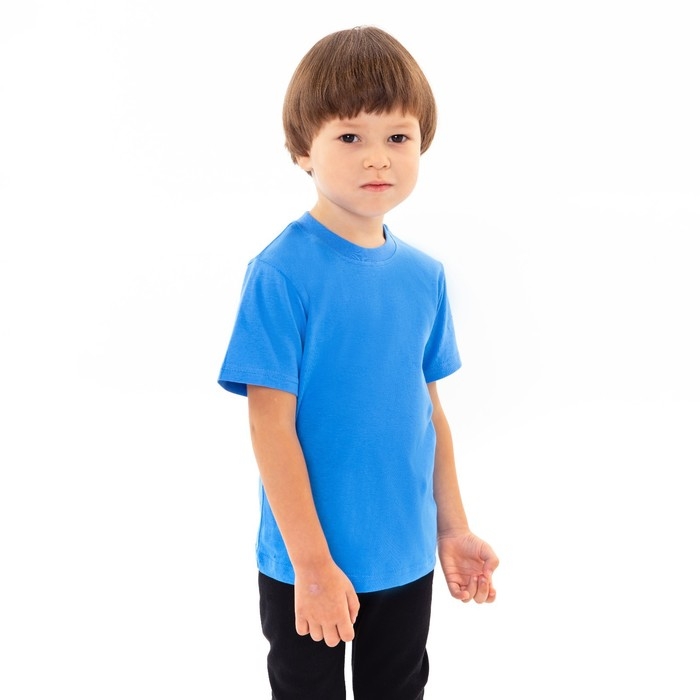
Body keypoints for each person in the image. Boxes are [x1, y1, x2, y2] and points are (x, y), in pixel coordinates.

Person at [218, 25, 499, 700]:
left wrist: (452, 528)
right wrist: (312, 565)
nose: (378, 157)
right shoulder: (280, 274)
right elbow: (270, 427)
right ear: (302, 150)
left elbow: (429, 414)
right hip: (306, 564)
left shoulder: (425, 277)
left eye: (397, 136)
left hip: (404, 557)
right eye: (350, 136)